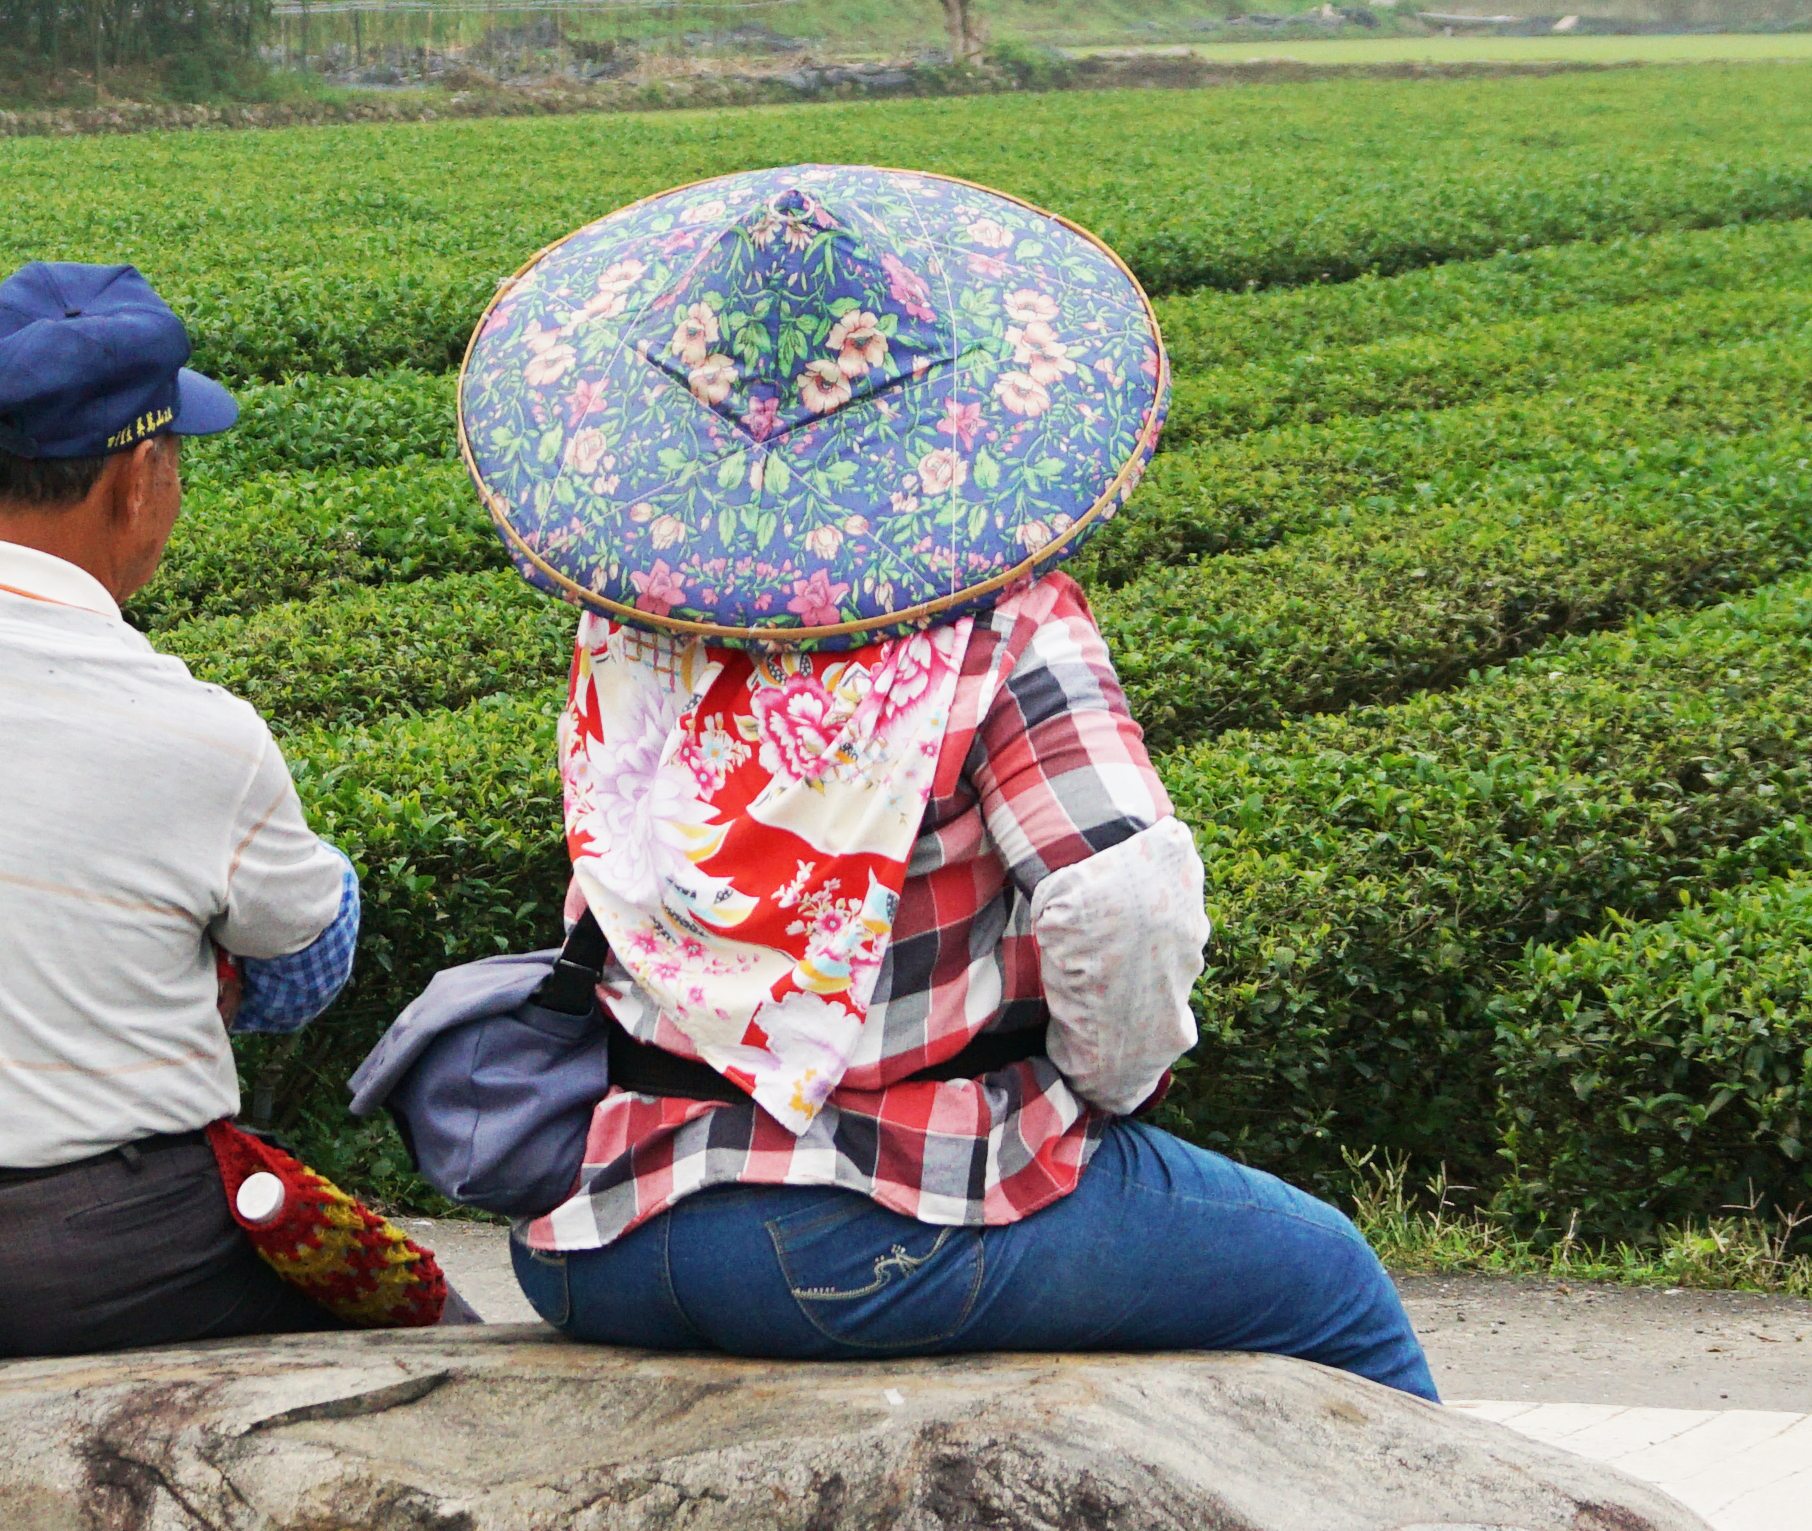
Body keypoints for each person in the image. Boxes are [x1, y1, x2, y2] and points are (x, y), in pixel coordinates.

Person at [447, 167, 1433, 1396]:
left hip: (596, 1233)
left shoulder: (633, 627)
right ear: (940, 396)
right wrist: (1101, 1089)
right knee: (1330, 1282)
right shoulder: (1001, 629)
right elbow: (1122, 904)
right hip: (865, 1225)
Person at [0, 258, 438, 1360]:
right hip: (130, 1254)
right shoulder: (201, 733)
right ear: (138, 478)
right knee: (422, 1334)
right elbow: (308, 958)